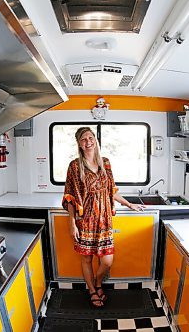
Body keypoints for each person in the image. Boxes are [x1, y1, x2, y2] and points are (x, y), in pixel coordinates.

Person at [62, 127, 145, 308]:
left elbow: (111, 191)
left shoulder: (105, 163)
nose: (88, 142)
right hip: (85, 221)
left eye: (91, 138)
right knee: (86, 259)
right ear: (79, 144)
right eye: (84, 139)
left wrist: (129, 204)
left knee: (107, 262)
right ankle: (92, 290)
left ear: (96, 140)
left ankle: (98, 283)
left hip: (104, 220)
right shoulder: (75, 166)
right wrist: (72, 224)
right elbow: (70, 197)